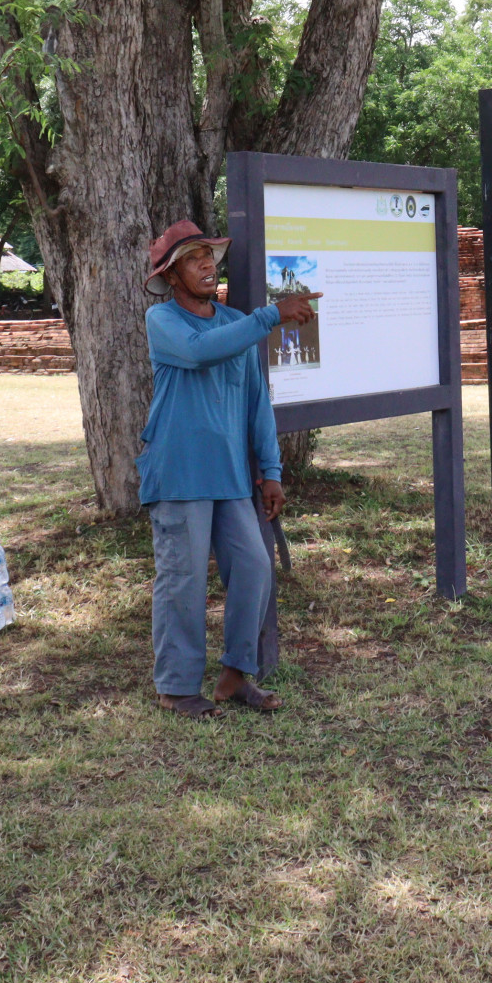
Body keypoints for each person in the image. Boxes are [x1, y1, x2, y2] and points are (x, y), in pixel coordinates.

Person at [138, 220, 319, 718]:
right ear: (171, 276)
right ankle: (176, 688)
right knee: (183, 578)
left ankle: (235, 677)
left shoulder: (234, 321)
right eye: (192, 259)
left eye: (208, 256)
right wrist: (271, 315)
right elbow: (199, 354)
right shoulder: (164, 321)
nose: (205, 266)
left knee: (256, 567)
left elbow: (257, 402)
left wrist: (272, 470)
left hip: (231, 476)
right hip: (178, 472)